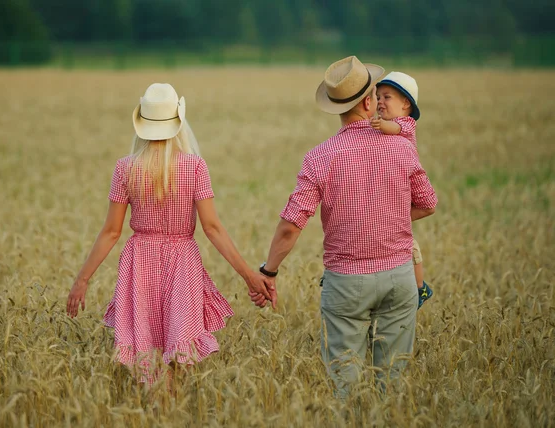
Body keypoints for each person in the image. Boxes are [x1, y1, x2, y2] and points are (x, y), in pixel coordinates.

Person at [250, 56, 437, 397]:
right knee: (392, 383)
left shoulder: (320, 156)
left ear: (337, 106)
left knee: (345, 386)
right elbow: (427, 202)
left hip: (346, 283)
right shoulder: (402, 145)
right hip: (399, 276)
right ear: (368, 102)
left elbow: (292, 225)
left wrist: (269, 271)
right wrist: (387, 215)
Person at [66, 83, 273, 385]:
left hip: (139, 262)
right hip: (182, 263)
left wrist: (81, 280)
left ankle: (154, 411)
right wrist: (249, 276)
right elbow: (212, 228)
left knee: (146, 353)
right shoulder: (195, 167)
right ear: (177, 122)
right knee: (180, 351)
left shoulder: (125, 169)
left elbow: (111, 232)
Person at [370, 71, 434, 309]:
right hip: (394, 191)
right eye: (377, 97)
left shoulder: (405, 124)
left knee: (411, 248)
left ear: (406, 103)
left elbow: (394, 129)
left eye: (387, 97)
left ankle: (420, 289)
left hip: (405, 191)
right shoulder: (387, 126)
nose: (380, 102)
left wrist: (380, 124)